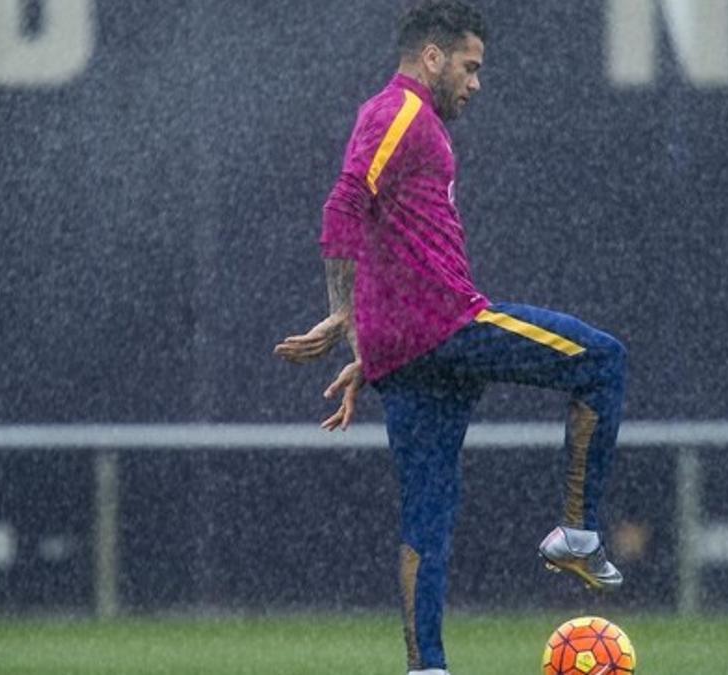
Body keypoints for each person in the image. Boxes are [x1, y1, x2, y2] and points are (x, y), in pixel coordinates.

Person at [274, 2, 627, 673]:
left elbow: (380, 231)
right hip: (448, 326)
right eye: (470, 66)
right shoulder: (400, 112)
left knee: (426, 522)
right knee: (603, 360)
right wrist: (344, 316)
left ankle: (426, 667)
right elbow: (343, 204)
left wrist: (369, 348)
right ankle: (578, 532)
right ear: (432, 57)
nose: (476, 82)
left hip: (405, 355)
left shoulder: (415, 124)